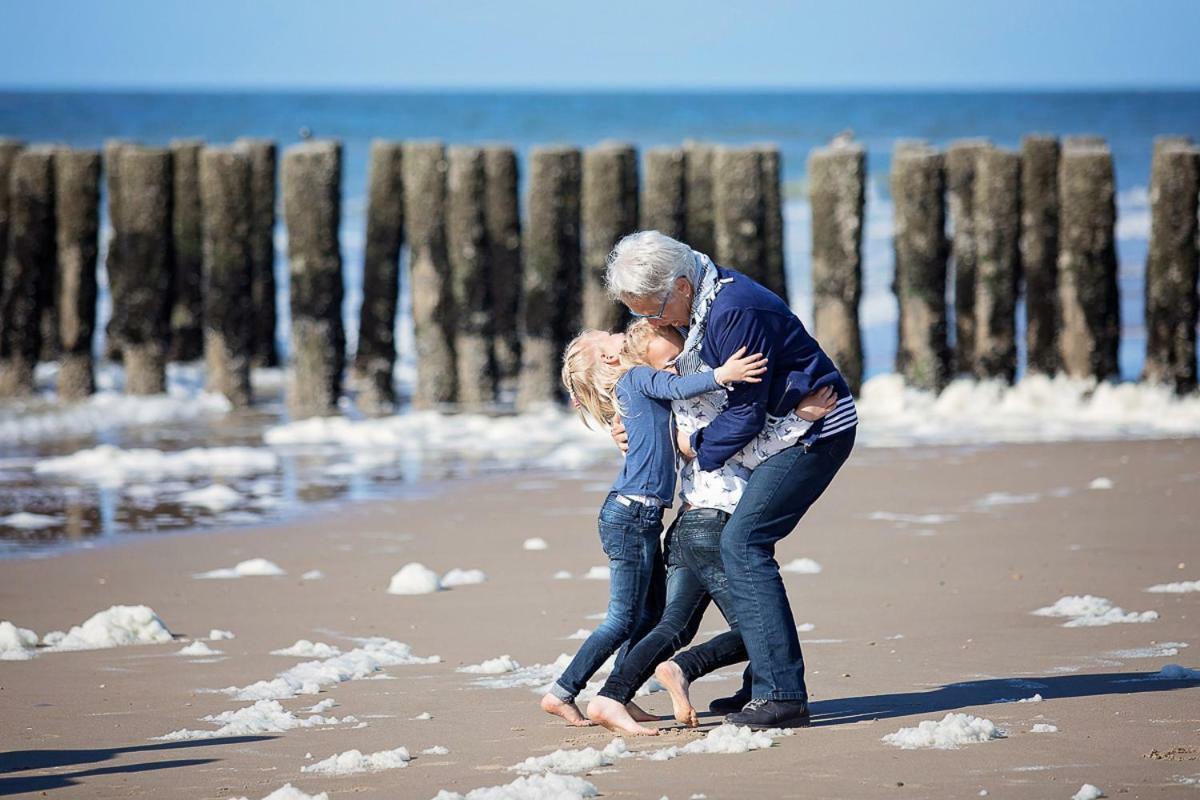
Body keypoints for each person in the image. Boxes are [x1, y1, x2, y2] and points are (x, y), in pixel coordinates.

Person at [606, 230, 858, 729]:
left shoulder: (733, 309)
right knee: (737, 546)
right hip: (775, 428)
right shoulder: (699, 302)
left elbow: (744, 412)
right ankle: (758, 687)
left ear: (679, 286)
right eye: (643, 316)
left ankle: (783, 695)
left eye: (654, 312)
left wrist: (697, 450)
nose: (654, 323)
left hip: (814, 428)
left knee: (743, 543)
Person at [583, 323, 836, 735]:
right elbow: (743, 450)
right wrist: (798, 420)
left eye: (684, 355)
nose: (681, 368)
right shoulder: (696, 399)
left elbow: (659, 436)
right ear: (651, 371)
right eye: (669, 364)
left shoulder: (665, 403)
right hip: (711, 524)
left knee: (674, 625)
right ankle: (684, 668)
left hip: (685, 527)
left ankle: (611, 696)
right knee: (756, 622)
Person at [542, 324, 768, 726]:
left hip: (645, 516)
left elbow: (661, 418)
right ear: (611, 358)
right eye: (610, 335)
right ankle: (564, 691)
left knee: (652, 618)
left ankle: (618, 694)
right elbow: (679, 391)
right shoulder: (637, 377)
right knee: (623, 618)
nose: (619, 333)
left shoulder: (636, 388)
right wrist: (723, 375)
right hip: (633, 514)